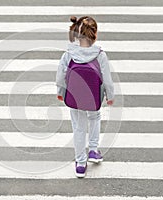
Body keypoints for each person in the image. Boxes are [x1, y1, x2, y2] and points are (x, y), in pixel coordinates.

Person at [56, 16, 115, 178]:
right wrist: (110, 96)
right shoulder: (100, 55)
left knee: (79, 128)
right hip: (93, 96)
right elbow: (108, 80)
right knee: (95, 117)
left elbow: (60, 76)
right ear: (94, 35)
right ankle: (94, 150)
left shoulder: (69, 54)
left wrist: (60, 93)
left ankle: (80, 163)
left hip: (74, 96)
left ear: (77, 33)